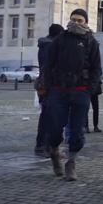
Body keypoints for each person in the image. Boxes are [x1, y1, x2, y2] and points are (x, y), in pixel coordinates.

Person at [44, 9, 102, 181]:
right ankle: (54, 153)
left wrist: (89, 89)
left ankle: (71, 162)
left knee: (77, 131)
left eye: (80, 20)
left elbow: (96, 68)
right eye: (73, 20)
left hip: (81, 91)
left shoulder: (91, 42)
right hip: (58, 90)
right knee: (55, 129)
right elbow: (48, 65)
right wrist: (48, 88)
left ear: (86, 22)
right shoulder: (60, 39)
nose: (76, 23)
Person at [34, 23, 65, 158]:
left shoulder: (45, 45)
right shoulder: (49, 46)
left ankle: (44, 145)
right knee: (48, 116)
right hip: (49, 85)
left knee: (47, 115)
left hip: (46, 83)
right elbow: (49, 68)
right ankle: (44, 146)